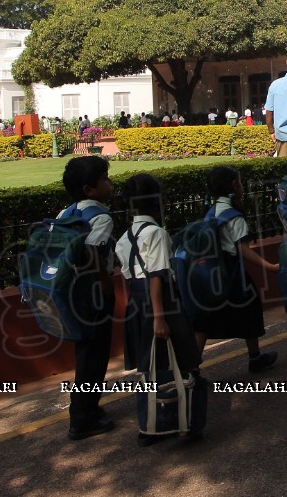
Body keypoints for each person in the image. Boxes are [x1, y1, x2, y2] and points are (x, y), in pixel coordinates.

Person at [115, 173, 207, 444]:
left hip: (136, 302)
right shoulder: (156, 233)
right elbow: (157, 275)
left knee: (149, 366)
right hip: (160, 302)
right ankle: (187, 421)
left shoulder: (125, 236)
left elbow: (128, 278)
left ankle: (150, 424)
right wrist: (160, 317)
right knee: (183, 361)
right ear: (157, 201)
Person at [192, 166, 280, 373]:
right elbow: (243, 249)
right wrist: (270, 267)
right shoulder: (234, 215)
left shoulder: (210, 210)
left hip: (211, 272)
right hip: (232, 271)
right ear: (233, 185)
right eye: (239, 181)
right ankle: (255, 357)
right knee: (250, 309)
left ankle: (192, 368)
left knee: (204, 320)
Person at [56, 156, 118, 441]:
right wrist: (106, 285)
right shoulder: (101, 217)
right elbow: (95, 252)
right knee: (94, 355)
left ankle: (85, 410)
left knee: (85, 352)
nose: (110, 183)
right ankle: (82, 417)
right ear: (89, 189)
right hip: (93, 295)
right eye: (104, 179)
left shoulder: (65, 213)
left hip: (72, 294)